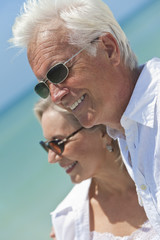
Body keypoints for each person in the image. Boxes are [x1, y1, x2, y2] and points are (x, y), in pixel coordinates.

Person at [10, 0, 160, 234]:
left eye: (58, 72)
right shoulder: (128, 134)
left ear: (109, 49)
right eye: (44, 86)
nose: (55, 96)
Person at [34, 96, 159, 240]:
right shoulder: (68, 222)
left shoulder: (154, 164)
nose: (51, 158)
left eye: (58, 143)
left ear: (103, 132)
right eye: (47, 146)